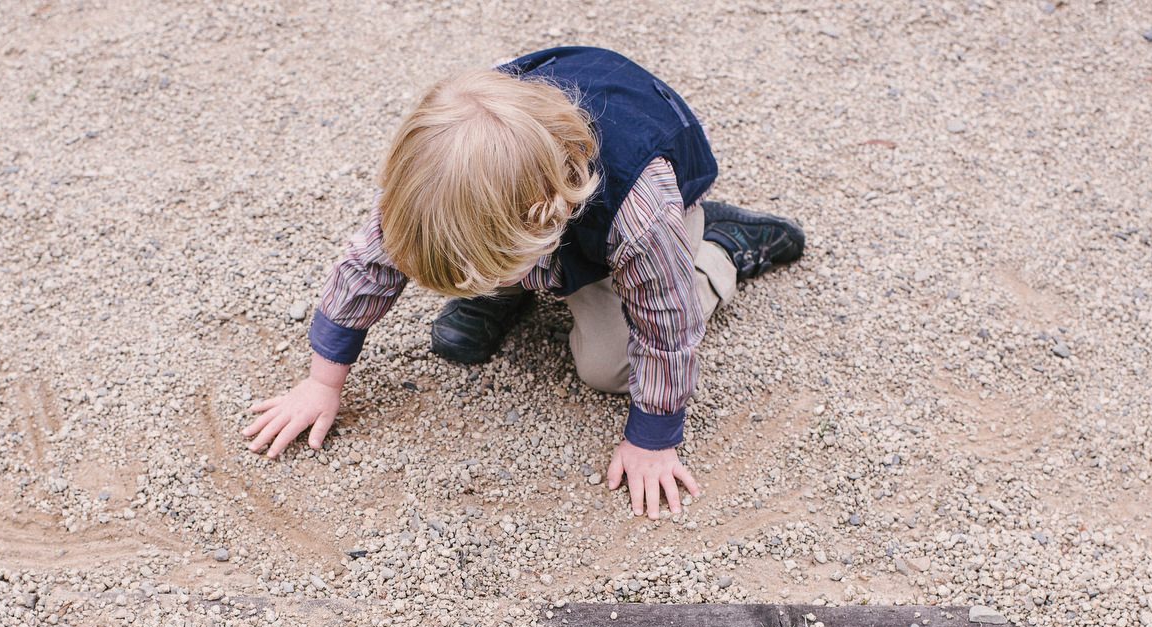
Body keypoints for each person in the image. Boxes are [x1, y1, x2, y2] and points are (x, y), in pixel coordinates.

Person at [245, 46, 805, 518]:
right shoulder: (436, 185)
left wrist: (653, 439)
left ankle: (717, 250)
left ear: (543, 221)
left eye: (484, 274)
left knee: (607, 367)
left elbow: (666, 327)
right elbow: (368, 266)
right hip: (535, 212)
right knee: (482, 261)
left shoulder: (642, 217)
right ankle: (511, 286)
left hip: (638, 210)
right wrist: (323, 383)